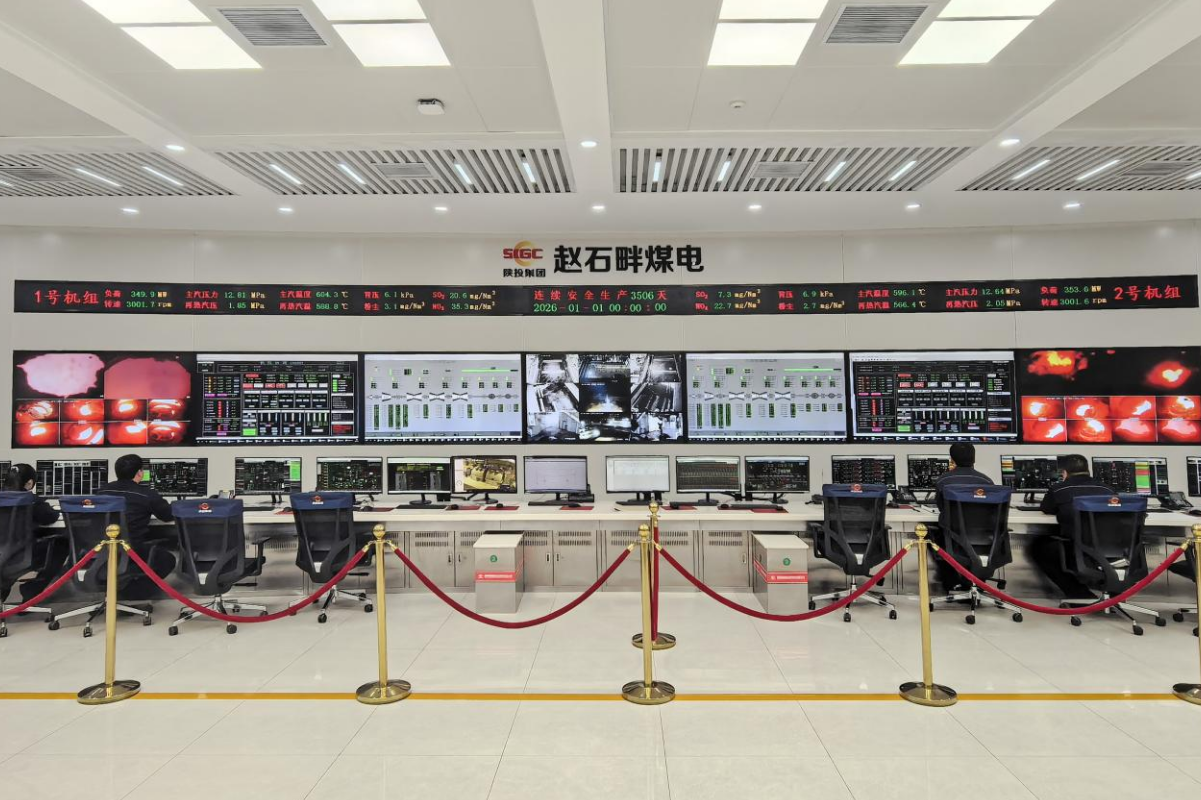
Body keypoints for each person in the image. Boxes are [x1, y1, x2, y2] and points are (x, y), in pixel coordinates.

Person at [1029, 454, 1115, 600]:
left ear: (1064, 473)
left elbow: (1047, 509)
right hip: (1112, 549)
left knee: (1039, 547)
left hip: (1078, 550)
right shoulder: (1108, 490)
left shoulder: (1058, 489)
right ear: (1088, 471)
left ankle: (1079, 594)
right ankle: (1115, 594)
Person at [98, 454, 177, 597]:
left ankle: (118, 589)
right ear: (140, 473)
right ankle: (133, 592)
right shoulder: (146, 494)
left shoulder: (101, 491)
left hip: (101, 550)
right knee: (167, 559)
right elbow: (167, 516)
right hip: (131, 549)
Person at [930, 443, 995, 594]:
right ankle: (977, 581)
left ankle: (949, 582)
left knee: (929, 533)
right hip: (984, 539)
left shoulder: (943, 480)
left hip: (954, 540)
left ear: (952, 460)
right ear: (974, 459)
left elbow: (942, 508)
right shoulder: (987, 481)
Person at [3, 463, 69, 603]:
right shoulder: (31, 500)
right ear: (29, 483)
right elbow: (50, 517)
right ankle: (31, 592)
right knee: (62, 544)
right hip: (18, 557)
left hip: (3, 555)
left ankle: (3, 592)